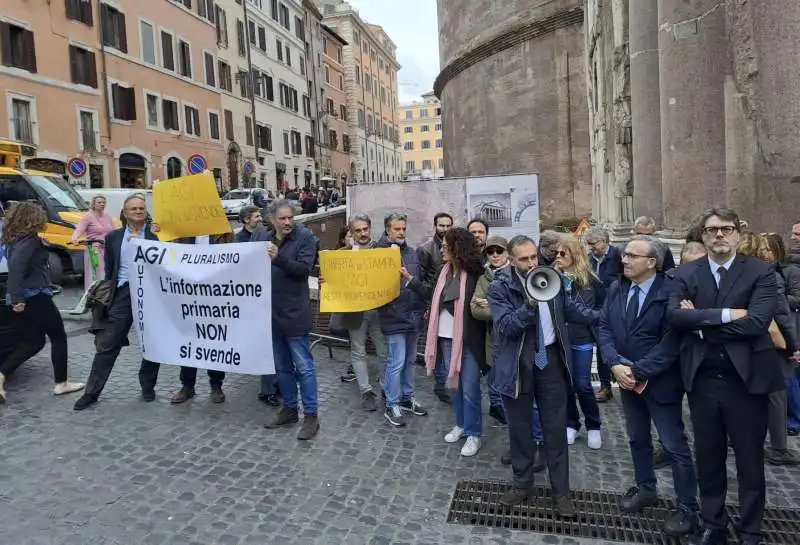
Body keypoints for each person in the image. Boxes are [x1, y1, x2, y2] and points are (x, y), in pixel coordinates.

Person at [668, 207, 789, 545]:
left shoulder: (761, 272)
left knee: (750, 460)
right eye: (711, 230)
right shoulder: (686, 273)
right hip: (703, 380)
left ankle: (751, 529)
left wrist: (702, 326)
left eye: (725, 229)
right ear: (702, 236)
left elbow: (757, 322)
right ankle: (714, 524)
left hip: (747, 381)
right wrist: (725, 314)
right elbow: (675, 317)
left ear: (737, 233)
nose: (718, 235)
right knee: (708, 457)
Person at [488, 235, 599, 516]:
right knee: (521, 430)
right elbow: (505, 327)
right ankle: (522, 484)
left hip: (549, 360)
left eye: (533, 257)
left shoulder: (551, 278)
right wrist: (529, 304)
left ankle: (561, 493)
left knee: (555, 429)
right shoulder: (500, 287)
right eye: (523, 259)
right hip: (517, 364)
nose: (531, 263)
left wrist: (606, 315)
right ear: (511, 261)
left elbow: (573, 310)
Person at [599, 235, 699, 537]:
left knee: (674, 446)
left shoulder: (670, 291)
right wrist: (614, 363)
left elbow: (672, 343)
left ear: (652, 262)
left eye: (632, 255)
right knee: (637, 438)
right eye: (624, 254)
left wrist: (637, 371)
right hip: (628, 382)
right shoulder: (617, 288)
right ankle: (646, 488)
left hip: (661, 384)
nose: (624, 259)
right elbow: (604, 327)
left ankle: (687, 508)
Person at [73, 194, 160, 410]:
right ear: (125, 212)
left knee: (153, 343)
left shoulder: (156, 237)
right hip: (122, 294)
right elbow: (110, 269)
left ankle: (147, 385)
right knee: (108, 344)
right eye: (134, 209)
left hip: (149, 296)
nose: (138, 212)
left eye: (141, 208)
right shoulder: (113, 237)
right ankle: (91, 392)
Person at [407, 227, 487, 456]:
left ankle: (474, 434)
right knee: (455, 387)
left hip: (468, 340)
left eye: (446, 245)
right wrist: (410, 280)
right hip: (444, 338)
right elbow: (432, 294)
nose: (442, 249)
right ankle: (461, 424)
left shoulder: (473, 274)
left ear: (457, 248)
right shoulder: (443, 272)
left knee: (470, 388)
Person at [0, 202, 84, 403]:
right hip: (34, 295)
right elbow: (17, 269)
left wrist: (41, 246)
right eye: (41, 216)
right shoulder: (28, 240)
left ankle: (1, 375)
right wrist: (17, 299)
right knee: (58, 336)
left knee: (33, 341)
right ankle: (61, 383)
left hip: (26, 295)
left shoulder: (16, 239)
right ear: (33, 218)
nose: (44, 220)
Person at [259, 200, 321, 441]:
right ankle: (289, 408)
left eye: (289, 218)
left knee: (303, 367)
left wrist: (278, 259)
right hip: (271, 313)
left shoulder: (305, 237)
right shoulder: (262, 236)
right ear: (272, 219)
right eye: (282, 219)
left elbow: (303, 270)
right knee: (281, 366)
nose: (287, 223)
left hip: (295, 312)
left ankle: (311, 415)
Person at [739, 233, 799, 466]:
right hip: (770, 343)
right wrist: (793, 346)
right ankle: (778, 448)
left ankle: (740, 439)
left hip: (745, 342)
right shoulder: (769, 277)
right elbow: (782, 316)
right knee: (777, 395)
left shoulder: (734, 277)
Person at [167, 233, 234, 405]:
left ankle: (216, 385)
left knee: (215, 340)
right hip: (187, 295)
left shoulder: (224, 233)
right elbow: (167, 254)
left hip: (215, 296)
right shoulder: (182, 234)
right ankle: (187, 386)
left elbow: (236, 257)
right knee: (189, 340)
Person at [377, 213, 428, 427]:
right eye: (397, 229)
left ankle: (407, 398)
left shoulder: (413, 253)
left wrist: (422, 309)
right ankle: (392, 403)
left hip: (413, 316)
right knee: (395, 363)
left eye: (403, 229)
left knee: (409, 361)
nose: (401, 232)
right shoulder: (376, 254)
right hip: (393, 316)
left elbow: (419, 282)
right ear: (388, 230)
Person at [555, 235, 604, 450]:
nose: (557, 257)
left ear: (574, 255)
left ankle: (594, 425)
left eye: (562, 253)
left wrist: (588, 318)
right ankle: (571, 423)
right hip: (559, 339)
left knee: (582, 384)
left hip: (582, 338)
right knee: (565, 384)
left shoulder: (591, 281)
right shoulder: (551, 277)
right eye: (556, 253)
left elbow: (602, 310)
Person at [339, 214, 387, 411]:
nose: (362, 233)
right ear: (351, 232)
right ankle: (366, 390)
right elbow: (334, 280)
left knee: (384, 351)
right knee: (358, 351)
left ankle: (385, 386)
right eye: (358, 230)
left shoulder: (383, 251)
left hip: (379, 310)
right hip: (356, 311)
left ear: (370, 228)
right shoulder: (342, 253)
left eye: (365, 229)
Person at [236, 205, 281, 406]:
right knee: (270, 346)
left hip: (277, 296)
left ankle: (276, 386)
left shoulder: (285, 233)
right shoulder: (261, 235)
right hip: (263, 296)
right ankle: (268, 389)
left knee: (277, 346)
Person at [470, 235, 510, 424]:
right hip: (492, 336)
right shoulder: (484, 277)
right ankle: (496, 406)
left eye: (499, 251)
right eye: (490, 252)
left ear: (507, 253)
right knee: (493, 373)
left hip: (513, 335)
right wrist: (500, 309)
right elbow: (475, 309)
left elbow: (521, 306)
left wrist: (491, 304)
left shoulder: (515, 273)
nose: (495, 255)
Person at [417, 212, 454, 403]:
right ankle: (441, 385)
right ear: (435, 226)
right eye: (441, 225)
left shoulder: (455, 248)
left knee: (445, 347)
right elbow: (422, 280)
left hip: (449, 305)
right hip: (433, 303)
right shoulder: (425, 249)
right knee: (438, 348)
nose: (445, 229)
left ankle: (444, 385)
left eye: (448, 225)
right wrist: (426, 307)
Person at [583, 226, 623, 403]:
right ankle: (605, 386)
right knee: (601, 347)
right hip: (597, 309)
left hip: (618, 308)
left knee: (622, 345)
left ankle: (625, 380)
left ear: (605, 242)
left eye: (593, 244)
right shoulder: (587, 259)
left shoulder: (618, 256)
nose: (591, 247)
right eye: (588, 244)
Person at [70, 195, 116, 290]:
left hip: (107, 248)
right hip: (94, 249)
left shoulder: (107, 216)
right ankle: (93, 294)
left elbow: (114, 230)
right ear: (93, 204)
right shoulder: (88, 216)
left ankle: (105, 294)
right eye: (99, 202)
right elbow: (79, 229)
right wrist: (75, 238)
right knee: (97, 274)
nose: (102, 204)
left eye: (104, 202)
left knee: (108, 273)